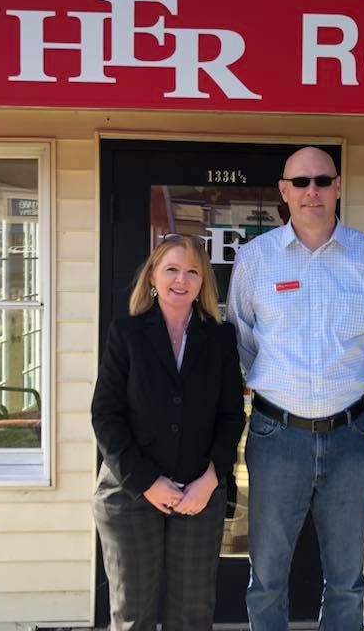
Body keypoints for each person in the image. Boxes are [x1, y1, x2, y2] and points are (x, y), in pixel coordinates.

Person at [227, 146, 364, 631]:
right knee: (266, 578)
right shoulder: (256, 260)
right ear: (284, 191)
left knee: (347, 580)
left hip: (350, 439)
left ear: (338, 186)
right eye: (300, 182)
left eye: (322, 181)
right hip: (275, 437)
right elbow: (241, 340)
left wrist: (347, 386)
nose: (312, 192)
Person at [91, 234, 246, 631]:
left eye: (192, 271)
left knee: (192, 616)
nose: (182, 279)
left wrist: (210, 481)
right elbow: (106, 416)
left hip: (198, 494)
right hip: (130, 493)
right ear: (153, 278)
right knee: (133, 615)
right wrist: (147, 482)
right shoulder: (126, 333)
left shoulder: (220, 338)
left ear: (202, 283)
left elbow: (231, 416)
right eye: (172, 269)